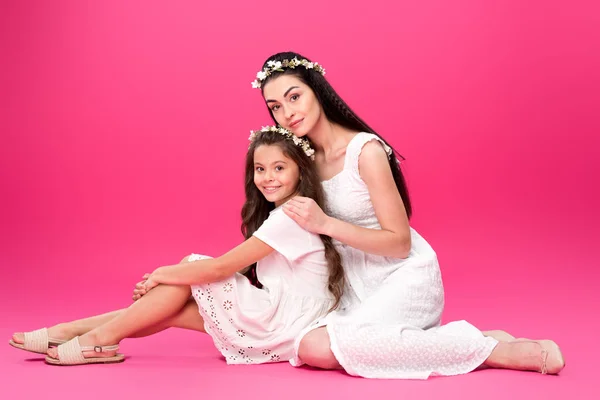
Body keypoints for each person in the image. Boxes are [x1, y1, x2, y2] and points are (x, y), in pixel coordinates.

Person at [252, 52, 565, 378]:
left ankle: (497, 352)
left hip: (400, 275)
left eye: (294, 97)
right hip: (349, 286)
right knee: (308, 343)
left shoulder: (365, 152)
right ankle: (474, 340)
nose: (287, 113)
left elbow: (400, 243)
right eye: (275, 106)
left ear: (317, 90)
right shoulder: (302, 159)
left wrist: (326, 224)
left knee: (321, 347)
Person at [9, 126, 344, 366]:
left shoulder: (292, 215)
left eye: (279, 168)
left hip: (285, 320)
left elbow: (220, 268)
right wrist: (171, 278)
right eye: (260, 169)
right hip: (283, 317)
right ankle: (72, 333)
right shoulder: (286, 211)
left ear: (301, 172)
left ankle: (92, 338)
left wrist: (161, 274)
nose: (268, 177)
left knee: (192, 266)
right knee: (169, 309)